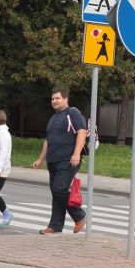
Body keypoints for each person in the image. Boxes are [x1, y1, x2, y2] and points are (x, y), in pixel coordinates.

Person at [32, 88, 87, 234]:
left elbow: (82, 132)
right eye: (53, 99)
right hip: (53, 161)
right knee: (56, 192)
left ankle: (79, 215)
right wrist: (41, 159)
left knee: (59, 189)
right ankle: (55, 226)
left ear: (65, 99)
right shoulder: (54, 118)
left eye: (57, 98)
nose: (54, 101)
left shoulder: (72, 113)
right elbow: (47, 141)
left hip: (68, 159)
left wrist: (76, 154)